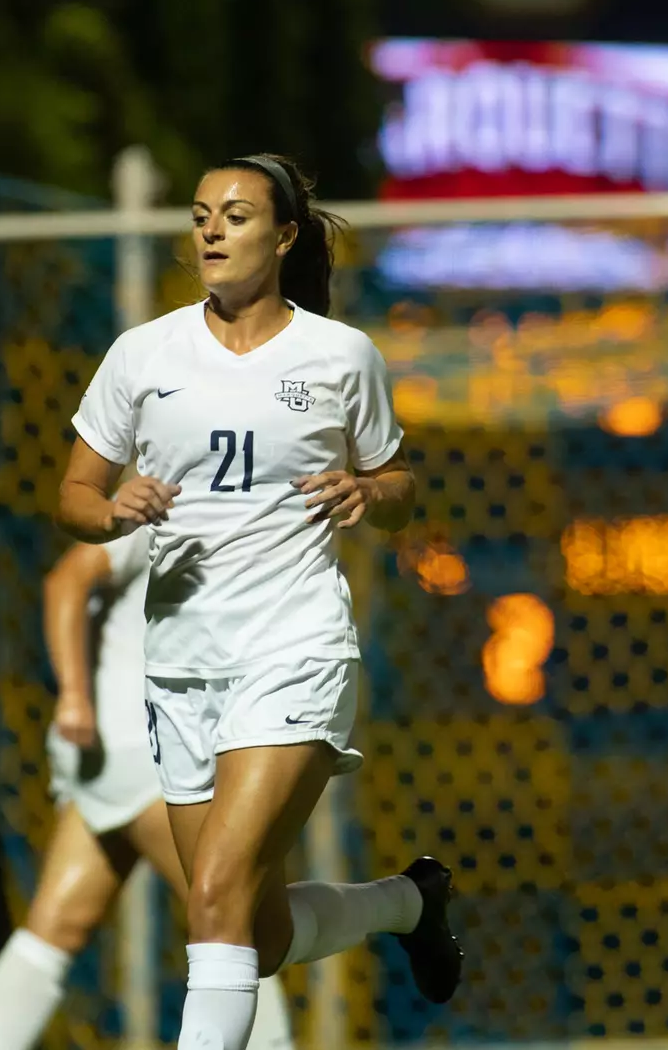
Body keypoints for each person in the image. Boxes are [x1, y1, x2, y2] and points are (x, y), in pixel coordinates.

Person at [56, 153, 462, 1050]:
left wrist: (370, 491)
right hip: (182, 668)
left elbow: (400, 488)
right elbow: (73, 496)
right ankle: (407, 903)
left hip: (294, 651)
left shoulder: (340, 355)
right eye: (201, 215)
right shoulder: (143, 354)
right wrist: (110, 510)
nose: (211, 230)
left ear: (283, 237)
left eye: (235, 216)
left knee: (213, 897)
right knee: (255, 934)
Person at [0, 519, 295, 1050]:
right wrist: (75, 697)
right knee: (237, 924)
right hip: (145, 754)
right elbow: (66, 581)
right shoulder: (172, 499)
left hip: (112, 760)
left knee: (56, 927)